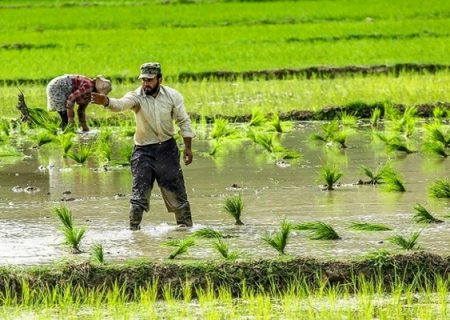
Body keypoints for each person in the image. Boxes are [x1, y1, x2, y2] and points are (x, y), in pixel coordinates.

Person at [91, 62, 195, 230]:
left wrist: (188, 147)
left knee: (177, 194)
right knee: (139, 195)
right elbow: (120, 104)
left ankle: (186, 230)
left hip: (167, 149)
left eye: (150, 80)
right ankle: (133, 232)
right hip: (143, 152)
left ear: (159, 79)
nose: (146, 83)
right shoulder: (136, 96)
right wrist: (106, 101)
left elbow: (183, 120)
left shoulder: (172, 96)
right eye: (143, 80)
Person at [46, 75, 112, 132]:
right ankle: (58, 134)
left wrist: (85, 128)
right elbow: (71, 99)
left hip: (59, 86)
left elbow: (81, 111)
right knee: (66, 118)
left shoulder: (90, 94)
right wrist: (71, 119)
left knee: (66, 118)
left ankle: (59, 133)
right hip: (58, 87)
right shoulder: (89, 87)